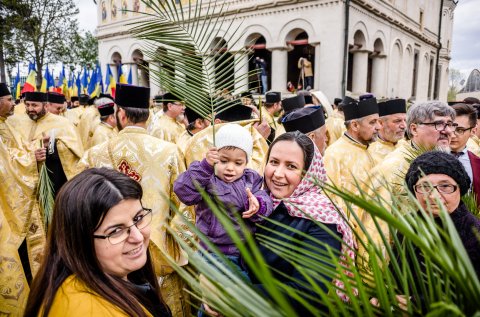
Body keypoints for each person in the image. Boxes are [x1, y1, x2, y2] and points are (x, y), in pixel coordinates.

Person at [203, 132, 355, 316]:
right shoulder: (261, 202)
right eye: (274, 162)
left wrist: (231, 294)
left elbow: (305, 293)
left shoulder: (322, 222)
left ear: (308, 173)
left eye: (291, 166)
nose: (278, 173)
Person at [80, 83, 193, 316]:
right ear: (148, 114)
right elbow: (184, 204)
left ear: (119, 113)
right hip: (160, 250)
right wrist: (172, 244)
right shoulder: (169, 151)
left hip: (109, 254)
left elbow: (80, 204)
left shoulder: (95, 153)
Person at [24, 168, 171, 316]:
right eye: (115, 231)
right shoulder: (85, 310)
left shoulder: (117, 276)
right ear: (80, 241)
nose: (138, 237)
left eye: (138, 218)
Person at [174, 123, 273, 280]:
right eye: (224, 161)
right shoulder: (207, 179)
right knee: (231, 293)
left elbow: (266, 201)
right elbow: (183, 191)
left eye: (238, 163)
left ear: (246, 162)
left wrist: (258, 205)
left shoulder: (251, 179)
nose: (230, 168)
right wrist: (204, 167)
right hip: (215, 254)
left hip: (245, 252)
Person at [404, 151, 480, 283]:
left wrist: (414, 301)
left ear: (459, 189)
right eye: (425, 186)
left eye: (445, 186)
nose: (433, 196)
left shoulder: (474, 233)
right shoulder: (408, 224)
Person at [323, 95, 380, 223]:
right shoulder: (334, 154)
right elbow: (329, 198)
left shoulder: (370, 149)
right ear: (355, 125)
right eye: (372, 122)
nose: (378, 127)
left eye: (378, 121)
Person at [19, 91, 84, 195]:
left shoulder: (63, 123)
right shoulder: (20, 122)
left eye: (34, 105)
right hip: (28, 178)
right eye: (27, 105)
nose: (30, 109)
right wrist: (33, 151)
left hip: (54, 176)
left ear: (45, 105)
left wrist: (51, 146)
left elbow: (75, 151)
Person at [450, 103, 480, 205]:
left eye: (460, 130)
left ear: (473, 131)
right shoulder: (429, 157)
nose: (452, 135)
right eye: (450, 127)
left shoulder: (477, 163)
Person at [368, 98, 407, 164]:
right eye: (397, 121)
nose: (404, 126)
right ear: (380, 123)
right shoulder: (370, 153)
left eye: (405, 120)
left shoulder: (407, 146)